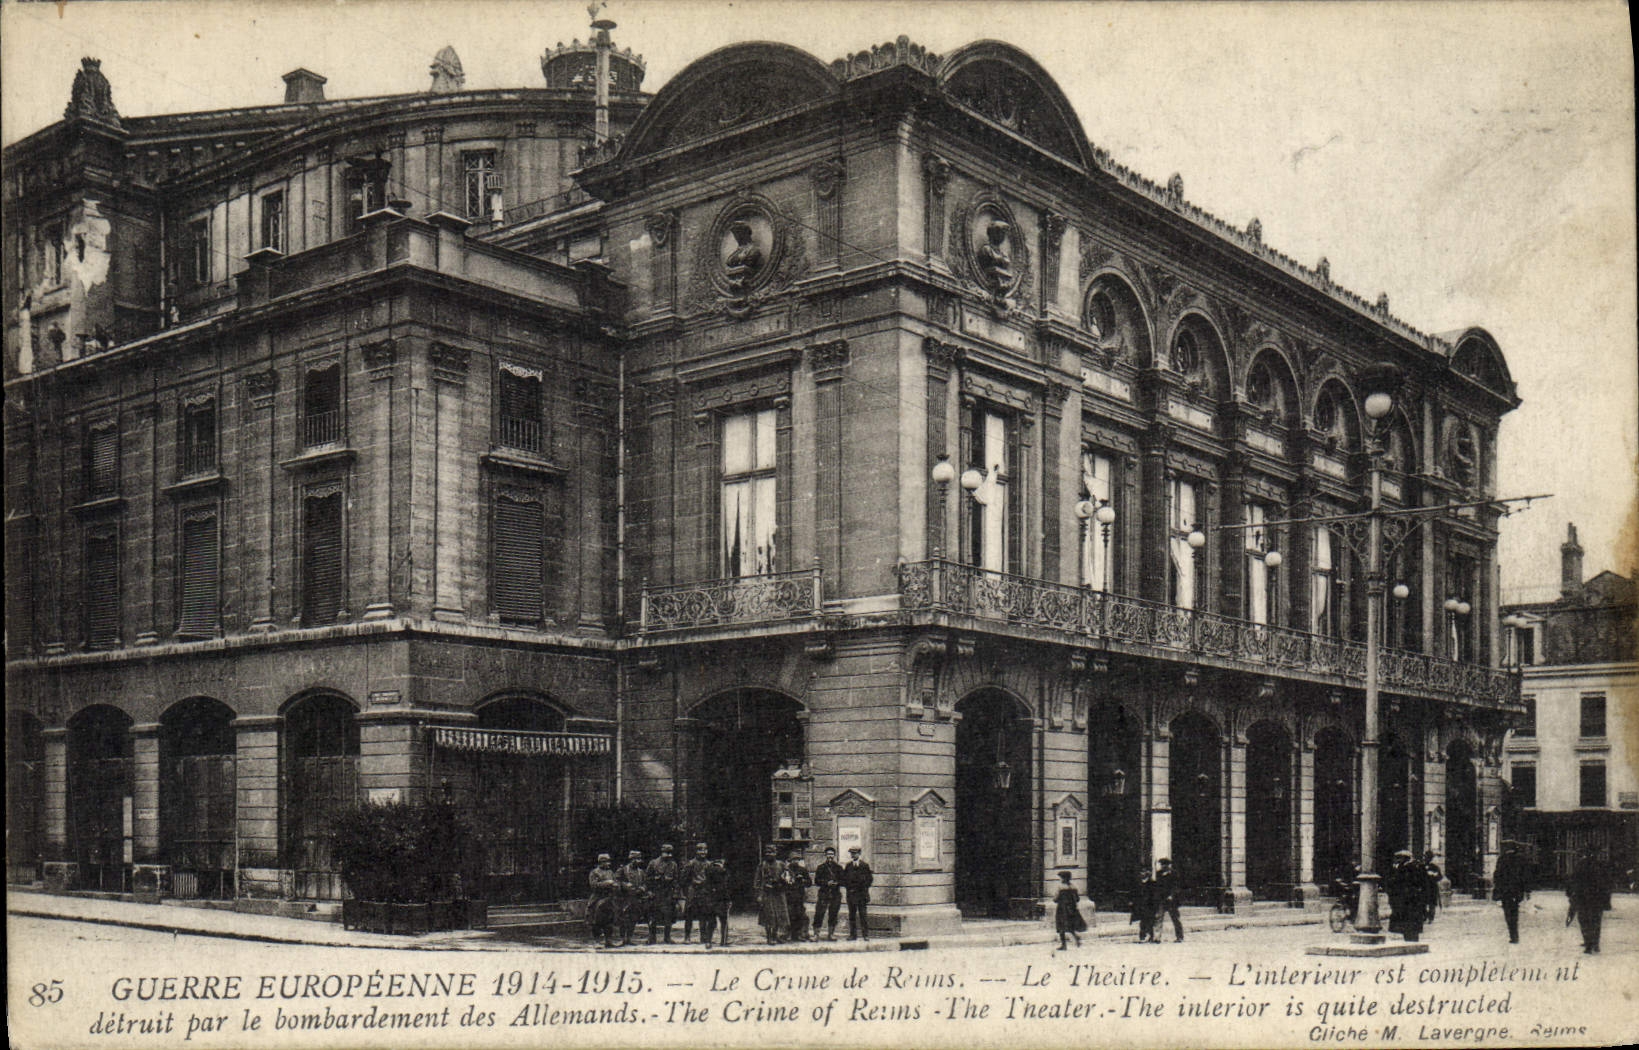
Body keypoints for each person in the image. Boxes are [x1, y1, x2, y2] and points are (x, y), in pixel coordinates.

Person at [1566, 848, 1613, 954]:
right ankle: (1595, 943)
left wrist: (1570, 893)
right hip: (1597, 899)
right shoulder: (1601, 866)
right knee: (1596, 921)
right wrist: (1606, 900)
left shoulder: (1580, 866)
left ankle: (1588, 943)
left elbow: (1573, 881)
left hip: (1583, 898)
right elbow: (1606, 884)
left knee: (1584, 921)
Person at [1491, 841, 1531, 944]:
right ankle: (1515, 934)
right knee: (1514, 912)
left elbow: (1497, 876)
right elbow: (1526, 876)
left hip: (1505, 891)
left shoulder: (1502, 859)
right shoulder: (1521, 859)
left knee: (1508, 913)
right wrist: (1527, 890)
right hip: (1517, 891)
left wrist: (1497, 890)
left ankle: (1513, 935)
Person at [1386, 849, 1426, 942]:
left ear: (1406, 858)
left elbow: (1421, 883)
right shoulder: (1400, 867)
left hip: (1412, 900)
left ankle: (1412, 940)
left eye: (1400, 858)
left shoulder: (1415, 867)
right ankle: (1408, 938)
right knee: (1406, 923)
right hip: (1403, 900)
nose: (1398, 860)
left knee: (1411, 923)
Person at [646, 843, 680, 945]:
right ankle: (652, 937)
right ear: (662, 852)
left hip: (668, 893)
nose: (669, 855)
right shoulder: (653, 863)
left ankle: (667, 937)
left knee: (668, 916)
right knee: (653, 916)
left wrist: (675, 893)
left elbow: (676, 880)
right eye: (666, 853)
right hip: (656, 893)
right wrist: (650, 890)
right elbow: (647, 878)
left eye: (670, 853)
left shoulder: (673, 864)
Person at [755, 844, 787, 944]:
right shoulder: (762, 865)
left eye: (772, 852)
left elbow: (788, 877)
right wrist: (759, 894)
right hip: (766, 893)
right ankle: (769, 937)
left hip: (778, 893)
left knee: (778, 915)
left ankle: (775, 935)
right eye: (767, 852)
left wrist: (783, 882)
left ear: (776, 853)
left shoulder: (781, 864)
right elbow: (757, 881)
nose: (769, 854)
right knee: (768, 916)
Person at [616, 849, 648, 947]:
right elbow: (617, 881)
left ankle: (629, 938)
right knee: (623, 919)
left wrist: (642, 889)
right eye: (637, 859)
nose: (639, 861)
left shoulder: (641, 872)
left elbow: (646, 883)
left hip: (636, 898)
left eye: (639, 859)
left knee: (633, 919)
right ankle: (622, 939)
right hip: (625, 898)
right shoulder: (623, 870)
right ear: (632, 859)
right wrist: (624, 885)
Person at [587, 853, 619, 948]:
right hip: (598, 898)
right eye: (606, 862)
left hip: (609, 899)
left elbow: (615, 881)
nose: (608, 864)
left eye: (609, 861)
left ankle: (608, 941)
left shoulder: (610, 872)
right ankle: (596, 941)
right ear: (601, 862)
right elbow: (593, 885)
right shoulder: (594, 872)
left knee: (609, 921)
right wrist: (607, 883)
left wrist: (616, 885)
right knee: (596, 921)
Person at [680, 842, 711, 944]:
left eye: (705, 849)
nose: (703, 852)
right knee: (689, 915)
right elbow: (683, 879)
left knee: (704, 915)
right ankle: (687, 937)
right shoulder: (691, 863)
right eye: (700, 850)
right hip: (692, 891)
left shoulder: (709, 864)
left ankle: (703, 937)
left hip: (704, 892)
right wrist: (688, 890)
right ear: (696, 851)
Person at [813, 846, 845, 940]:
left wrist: (836, 883)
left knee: (833, 914)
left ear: (834, 855)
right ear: (825, 855)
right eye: (828, 854)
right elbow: (817, 881)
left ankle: (831, 934)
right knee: (819, 913)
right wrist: (826, 883)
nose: (830, 856)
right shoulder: (821, 867)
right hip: (823, 894)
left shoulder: (839, 868)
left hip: (835, 894)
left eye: (831, 854)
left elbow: (843, 881)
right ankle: (816, 934)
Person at [843, 846, 874, 940]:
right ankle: (853, 935)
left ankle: (865, 935)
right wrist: (849, 888)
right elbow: (844, 879)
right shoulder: (848, 866)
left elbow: (870, 879)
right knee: (852, 915)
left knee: (863, 915)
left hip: (861, 895)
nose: (853, 855)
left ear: (859, 854)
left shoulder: (864, 865)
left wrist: (864, 888)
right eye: (852, 853)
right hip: (851, 894)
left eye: (855, 853)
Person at [783, 849, 813, 942]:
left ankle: (800, 935)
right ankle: (790, 935)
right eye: (793, 859)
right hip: (789, 897)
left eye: (797, 859)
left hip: (799, 897)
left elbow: (809, 883)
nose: (795, 861)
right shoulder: (786, 871)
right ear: (789, 860)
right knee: (790, 915)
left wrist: (803, 880)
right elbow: (783, 883)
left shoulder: (803, 870)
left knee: (800, 916)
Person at [1054, 870, 1087, 950]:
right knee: (1070, 926)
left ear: (1064, 878)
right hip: (1072, 909)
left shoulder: (1060, 887)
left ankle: (1063, 945)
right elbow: (1077, 899)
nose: (1060, 879)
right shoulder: (1074, 887)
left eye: (1061, 878)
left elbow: (1055, 899)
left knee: (1061, 926)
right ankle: (1077, 940)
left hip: (1062, 909)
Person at [1154, 858, 1184, 943]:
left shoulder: (1174, 874)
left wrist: (1172, 895)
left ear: (1168, 865)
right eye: (1162, 864)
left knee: (1175, 919)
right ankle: (1157, 937)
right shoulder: (1158, 874)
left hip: (1172, 901)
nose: (1163, 866)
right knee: (1158, 918)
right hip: (1161, 899)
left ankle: (1179, 936)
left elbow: (1176, 886)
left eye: (1165, 864)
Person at [1132, 865, 1159, 943]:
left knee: (1149, 921)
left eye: (1144, 871)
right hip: (1141, 905)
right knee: (1143, 921)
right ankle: (1143, 936)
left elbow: (1155, 895)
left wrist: (1154, 905)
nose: (1142, 873)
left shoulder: (1152, 883)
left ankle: (1149, 935)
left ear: (1148, 873)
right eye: (1141, 872)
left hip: (1149, 905)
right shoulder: (1139, 883)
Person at [1422, 851, 1443, 923]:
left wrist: (1433, 875)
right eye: (1424, 857)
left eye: (1426, 857)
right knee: (1423, 903)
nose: (1425, 858)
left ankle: (1431, 918)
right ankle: (1424, 917)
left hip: (1432, 888)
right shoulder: (1422, 866)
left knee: (1432, 904)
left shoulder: (1435, 867)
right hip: (1424, 887)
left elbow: (1440, 877)